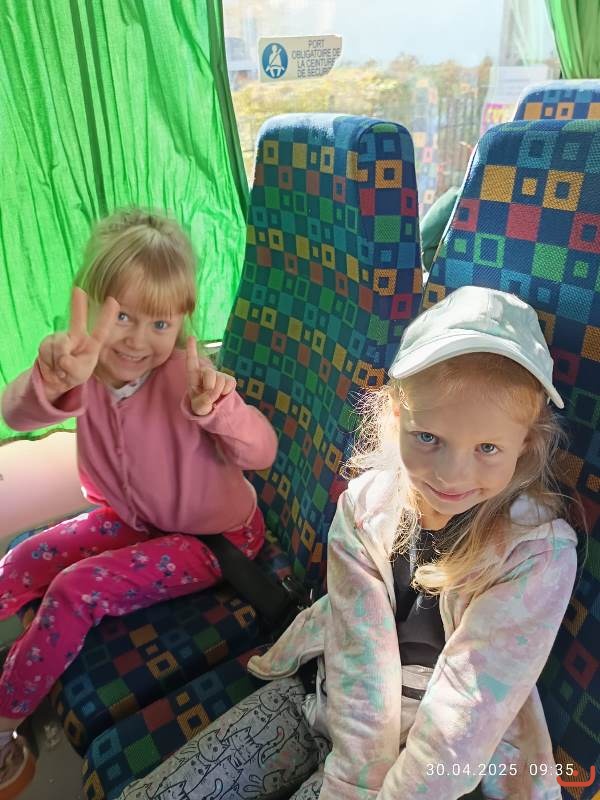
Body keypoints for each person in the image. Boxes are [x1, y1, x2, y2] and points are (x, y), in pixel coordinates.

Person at [116, 286, 579, 800]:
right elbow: (361, 664)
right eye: (428, 438)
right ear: (396, 417)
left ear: (525, 445)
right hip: (325, 694)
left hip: (432, 764)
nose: (451, 475)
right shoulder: (363, 508)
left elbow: (465, 714)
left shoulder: (535, 554)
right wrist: (349, 783)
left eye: (487, 448)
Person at [0, 209, 278, 798]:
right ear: (92, 306)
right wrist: (50, 381)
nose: (135, 339)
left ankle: (3, 722)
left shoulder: (189, 378)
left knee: (74, 590)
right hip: (136, 520)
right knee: (20, 560)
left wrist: (220, 411)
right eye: (122, 316)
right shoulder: (82, 370)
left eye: (159, 323)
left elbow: (262, 451)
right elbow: (16, 414)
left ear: (180, 322)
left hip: (214, 540)